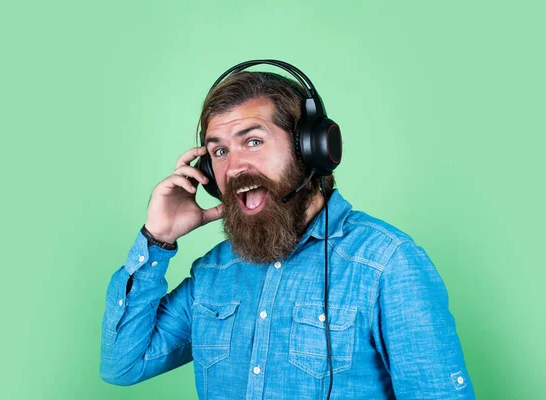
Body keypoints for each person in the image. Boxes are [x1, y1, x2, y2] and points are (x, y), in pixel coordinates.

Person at [100, 60, 476, 399]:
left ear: (310, 148)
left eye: (253, 141)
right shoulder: (215, 272)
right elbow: (123, 366)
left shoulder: (387, 264)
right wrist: (157, 238)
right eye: (219, 151)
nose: (234, 169)